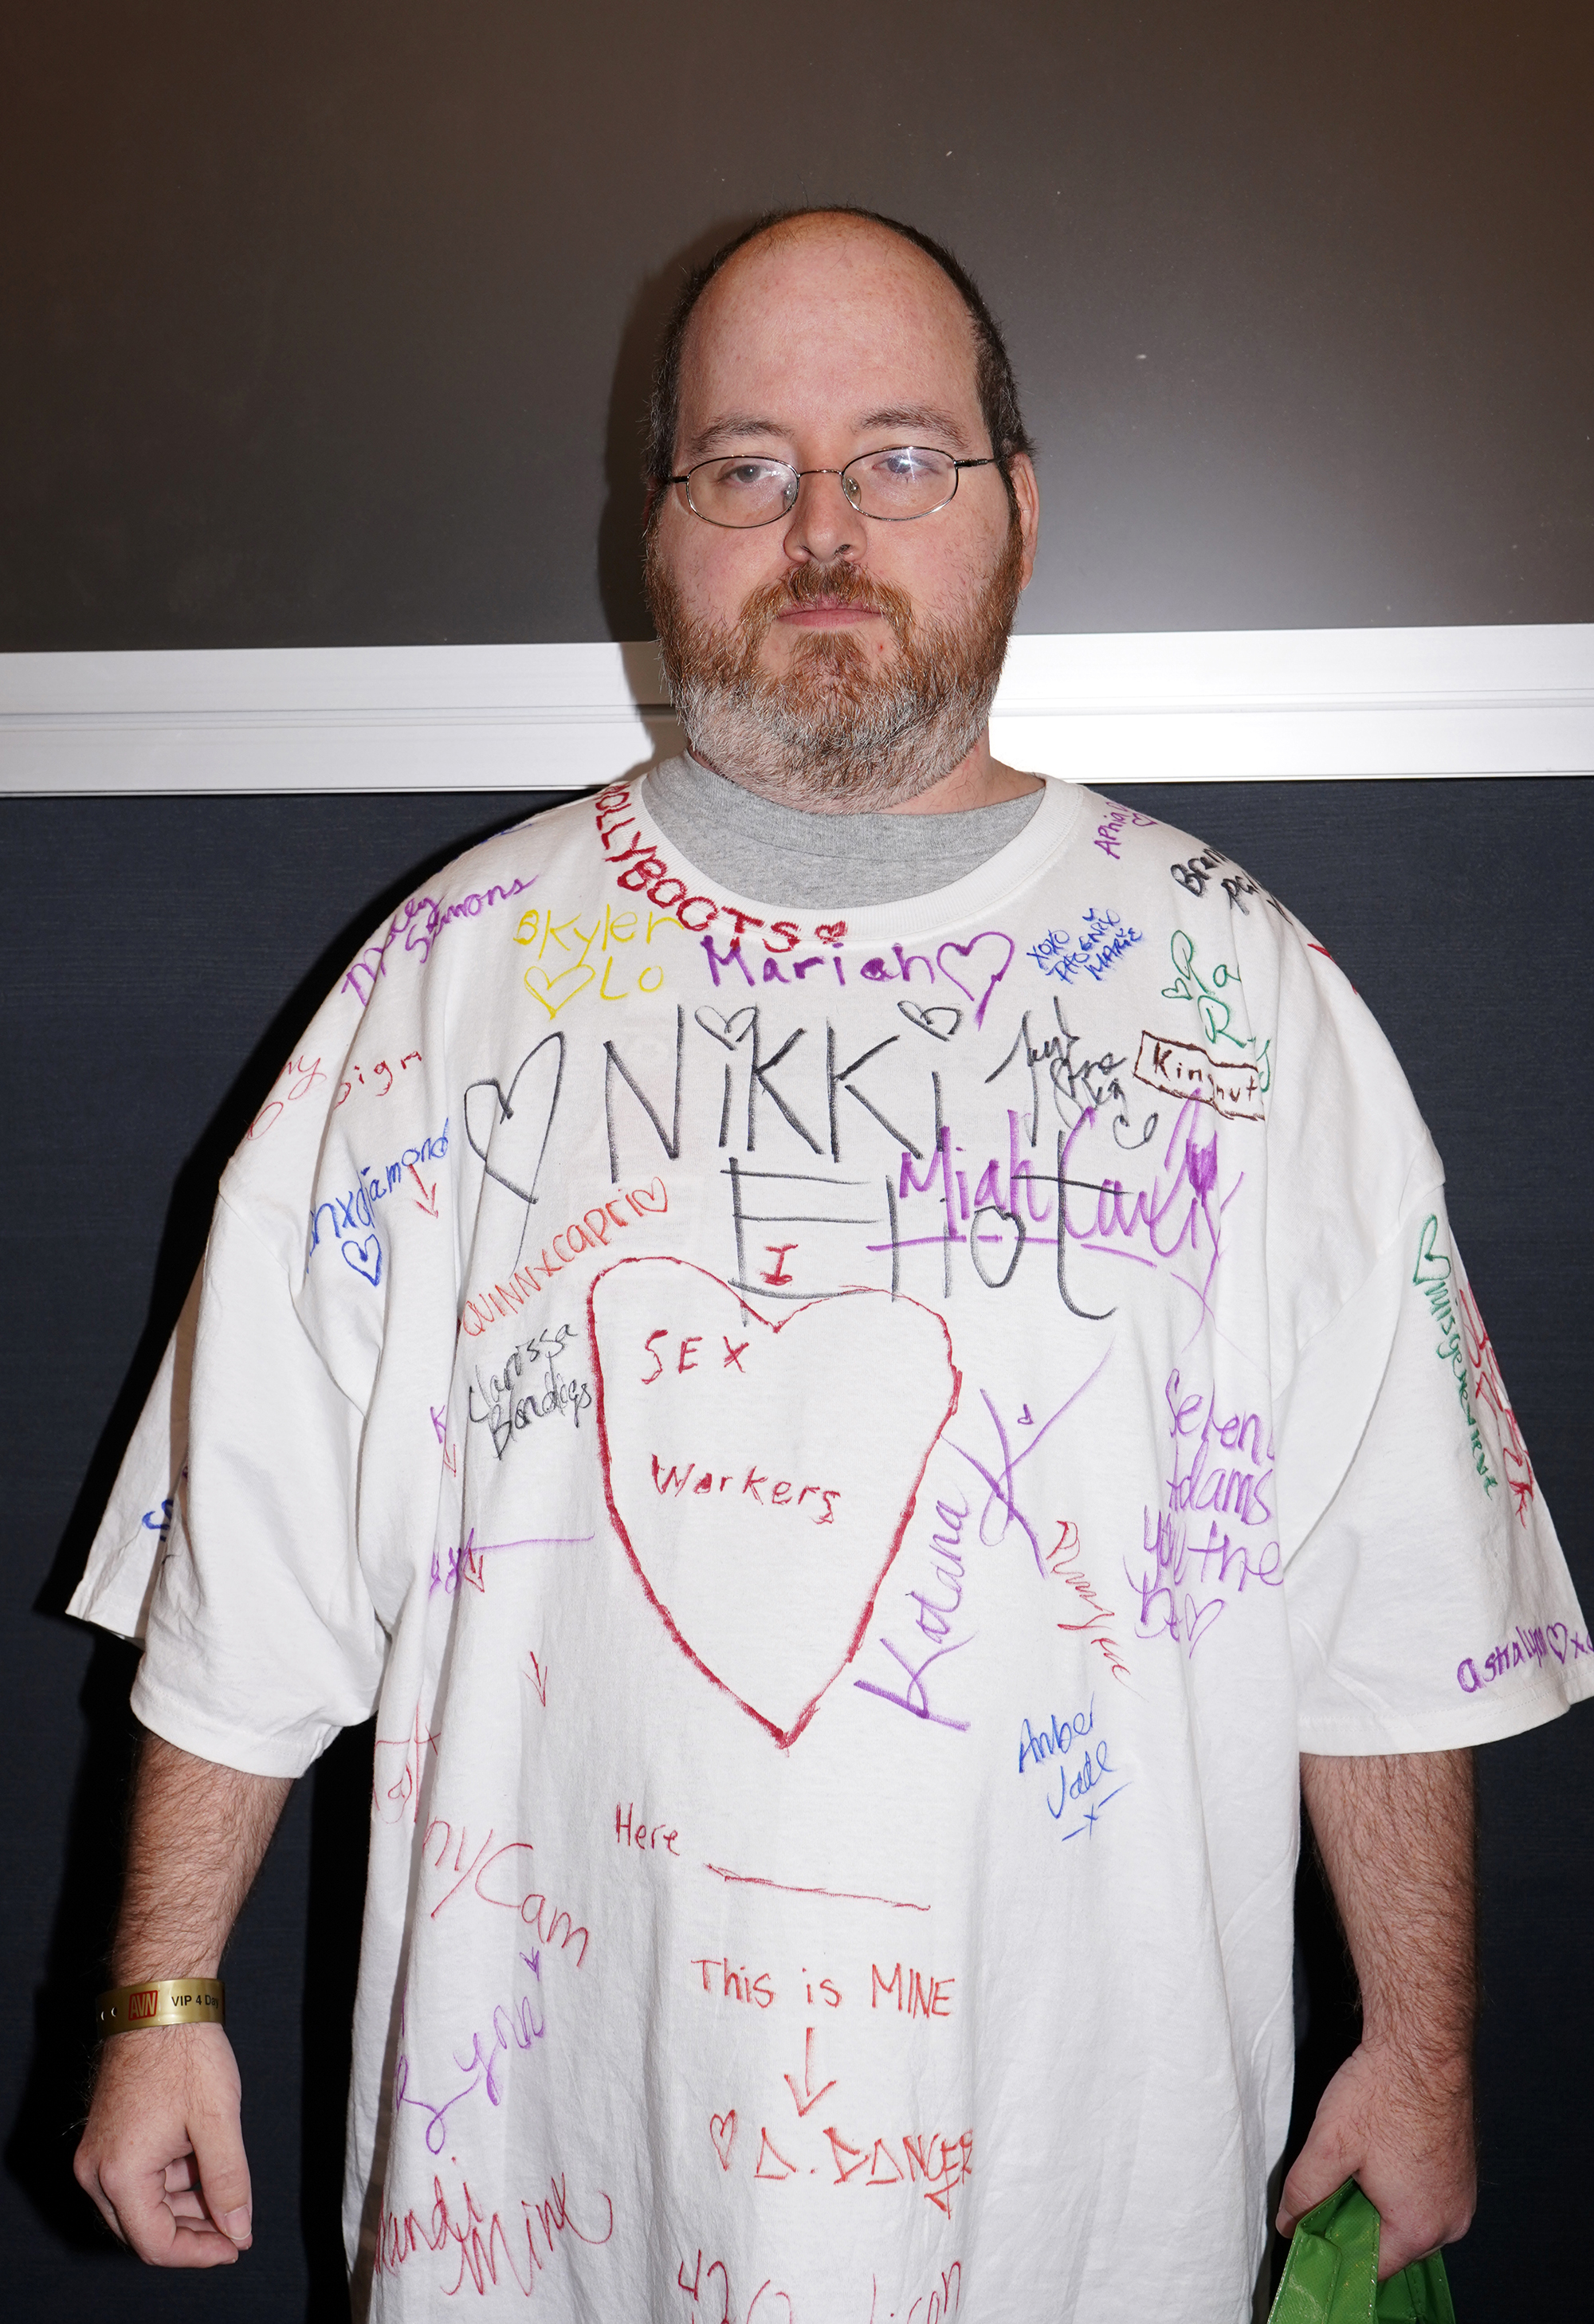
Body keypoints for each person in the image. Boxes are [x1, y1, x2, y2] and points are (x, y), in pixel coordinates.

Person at [70, 207, 1590, 2322]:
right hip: (550, 2208)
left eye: (899, 456)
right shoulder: (444, 985)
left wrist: (1420, 2046)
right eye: (746, 466)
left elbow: (1393, 1597)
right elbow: (248, 1564)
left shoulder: (1242, 996)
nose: (823, 531)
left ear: (1021, 511)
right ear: (656, 530)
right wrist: (160, 1996)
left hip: (1089, 2213)